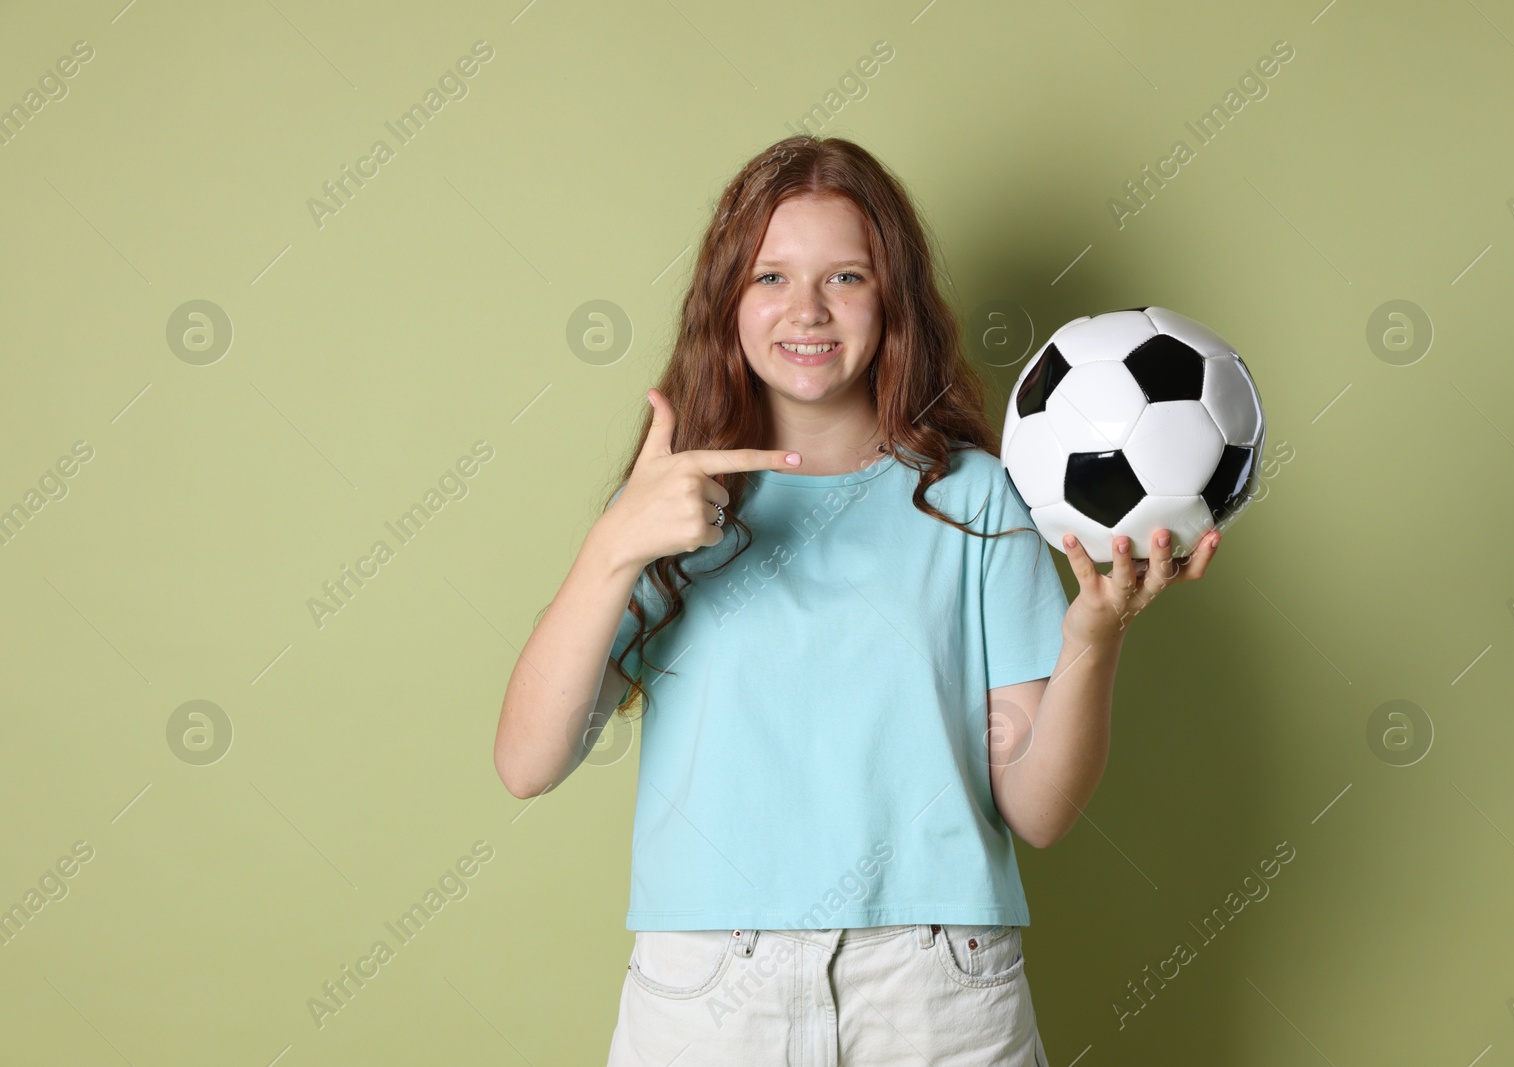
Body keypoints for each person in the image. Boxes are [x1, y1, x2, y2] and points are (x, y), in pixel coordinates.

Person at [492, 134, 1222, 1066]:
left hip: (934, 988)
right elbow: (526, 762)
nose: (807, 310)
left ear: (893, 301)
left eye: (846, 277)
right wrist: (613, 545)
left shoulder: (976, 496)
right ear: (727, 301)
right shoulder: (664, 504)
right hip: (708, 990)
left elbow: (1038, 810)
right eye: (770, 278)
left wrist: (1093, 634)